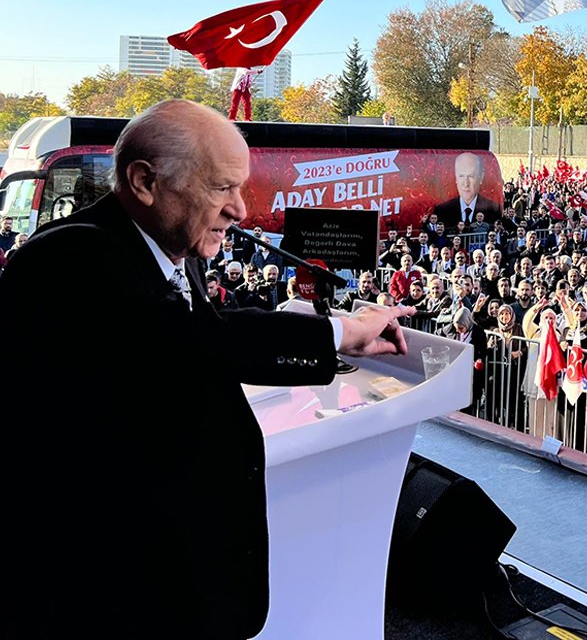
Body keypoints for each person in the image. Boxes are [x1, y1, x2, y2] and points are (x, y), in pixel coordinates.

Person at [0, 100, 410, 639]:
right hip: (102, 584)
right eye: (221, 188)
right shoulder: (69, 259)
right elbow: (189, 339)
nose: (241, 210)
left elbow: (203, 331)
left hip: (170, 572)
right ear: (144, 181)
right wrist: (338, 333)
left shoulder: (170, 247)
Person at [433, 152, 501, 228]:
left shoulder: (493, 209)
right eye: (461, 176)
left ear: (481, 177)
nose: (466, 184)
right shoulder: (442, 210)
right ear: (456, 177)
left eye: (471, 176)